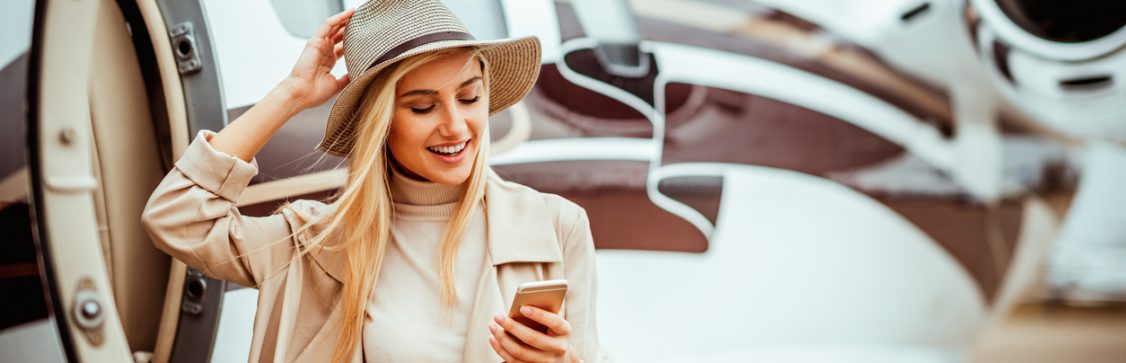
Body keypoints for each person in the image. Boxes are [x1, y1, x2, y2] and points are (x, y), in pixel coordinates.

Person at [141, 1, 604, 362]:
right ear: (379, 124)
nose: (456, 127)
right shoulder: (316, 243)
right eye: (423, 107)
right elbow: (176, 214)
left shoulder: (556, 226)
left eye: (470, 97)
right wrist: (291, 95)